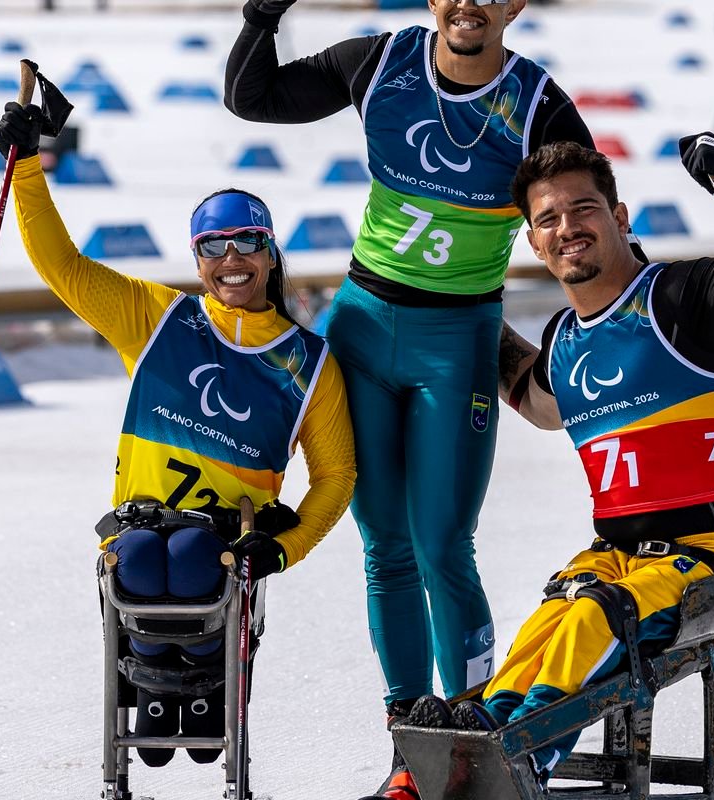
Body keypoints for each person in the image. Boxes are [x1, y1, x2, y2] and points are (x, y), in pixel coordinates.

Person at [224, 3, 593, 796]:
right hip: (360, 328)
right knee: (384, 548)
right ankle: (407, 756)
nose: (467, 3)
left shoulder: (537, 105)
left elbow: (577, 219)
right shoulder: (379, 62)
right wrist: (261, 17)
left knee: (440, 546)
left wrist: (607, 326)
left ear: (514, 6)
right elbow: (253, 99)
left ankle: (468, 743)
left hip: (456, 342)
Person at [400, 134, 714, 788]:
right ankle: (473, 733)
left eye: (582, 209)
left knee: (590, 618)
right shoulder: (565, 338)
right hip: (612, 560)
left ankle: (510, 760)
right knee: (547, 625)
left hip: (704, 559)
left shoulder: (685, 299)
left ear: (619, 217)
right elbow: (537, 397)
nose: (566, 228)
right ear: (534, 242)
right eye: (547, 219)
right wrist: (461, 307)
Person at [0, 103, 356, 767]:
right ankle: (155, 684)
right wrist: (27, 170)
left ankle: (197, 682)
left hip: (220, 538)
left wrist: (286, 549)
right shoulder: (160, 319)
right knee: (135, 561)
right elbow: (65, 268)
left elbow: (337, 477)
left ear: (272, 253)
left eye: (246, 241)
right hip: (141, 525)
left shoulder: (310, 362)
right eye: (211, 247)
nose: (231, 259)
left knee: (190, 556)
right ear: (197, 259)